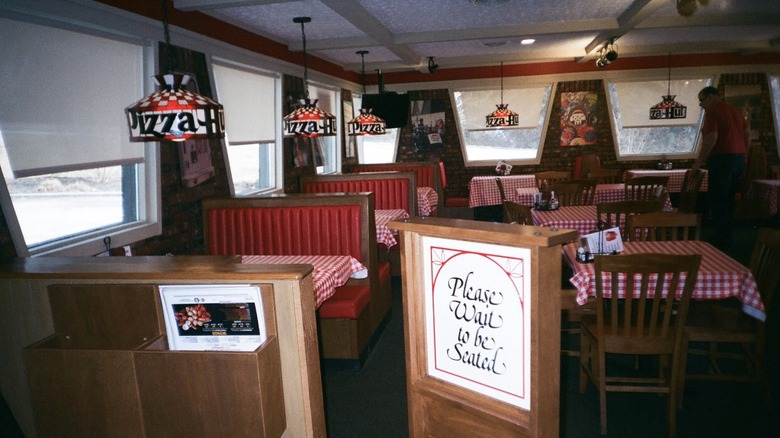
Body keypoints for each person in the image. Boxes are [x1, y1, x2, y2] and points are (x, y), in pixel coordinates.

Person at [692, 85, 751, 249]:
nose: (701, 105)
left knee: (718, 200)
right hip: (738, 159)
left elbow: (711, 137)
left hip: (722, 160)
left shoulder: (714, 111)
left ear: (711, 97)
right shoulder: (735, 111)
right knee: (729, 200)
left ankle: (721, 240)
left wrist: (698, 163)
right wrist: (744, 155)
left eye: (701, 100)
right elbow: (747, 134)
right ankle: (727, 236)